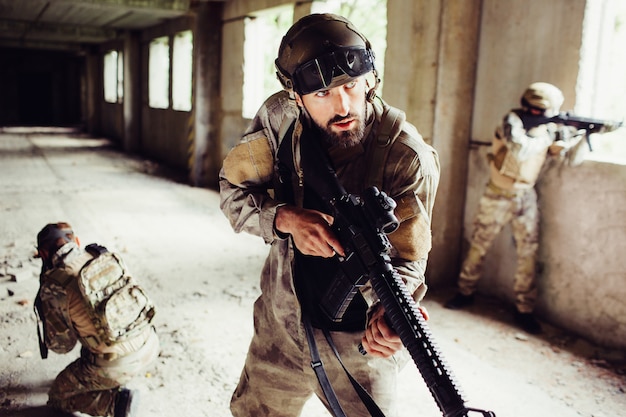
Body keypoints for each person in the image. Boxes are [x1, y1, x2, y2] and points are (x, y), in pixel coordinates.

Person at [219, 13, 440, 417]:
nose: (342, 106)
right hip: (281, 330)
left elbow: (409, 259)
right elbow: (233, 193)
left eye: (351, 86)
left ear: (371, 79)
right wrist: (284, 218)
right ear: (295, 96)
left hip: (359, 352)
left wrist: (391, 316)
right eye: (321, 94)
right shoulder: (279, 122)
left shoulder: (407, 158)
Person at [444, 82, 617, 334]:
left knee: (528, 254)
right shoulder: (512, 122)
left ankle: (524, 309)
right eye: (538, 111)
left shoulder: (548, 129)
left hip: (526, 197)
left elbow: (571, 160)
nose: (541, 116)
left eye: (545, 113)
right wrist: (554, 133)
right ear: (530, 108)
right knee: (479, 245)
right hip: (497, 194)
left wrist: (584, 135)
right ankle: (465, 291)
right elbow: (521, 148)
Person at [34, 222, 160, 417]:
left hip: (118, 364)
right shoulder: (101, 254)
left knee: (57, 397)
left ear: (43, 254)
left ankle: (115, 403)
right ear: (75, 241)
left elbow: (62, 346)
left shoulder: (54, 286)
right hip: (150, 343)